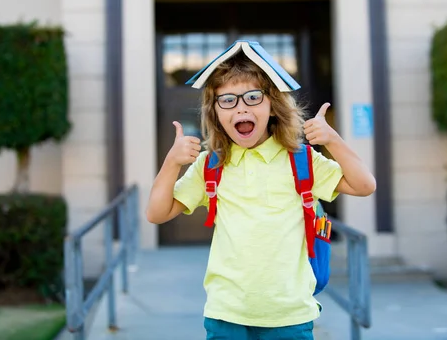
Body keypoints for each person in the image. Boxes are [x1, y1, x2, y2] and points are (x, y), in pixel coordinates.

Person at [146, 52, 376, 340]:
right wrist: (172, 163)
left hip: (290, 315)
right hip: (225, 314)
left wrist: (333, 140)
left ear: (273, 105)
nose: (241, 108)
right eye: (227, 100)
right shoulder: (210, 165)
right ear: (215, 112)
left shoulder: (300, 160)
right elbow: (156, 213)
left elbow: (364, 185)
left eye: (253, 97)